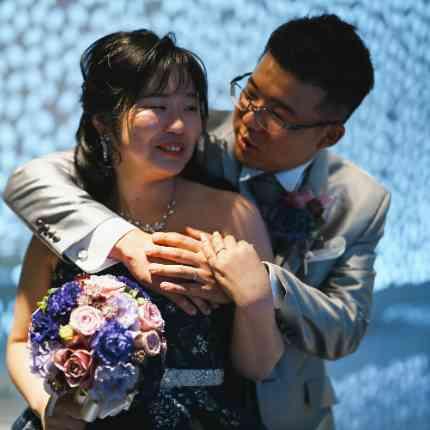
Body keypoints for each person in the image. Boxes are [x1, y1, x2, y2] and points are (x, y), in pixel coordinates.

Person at [4, 14, 391, 430]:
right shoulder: (190, 134)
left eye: (278, 115)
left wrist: (260, 286)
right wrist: (127, 241)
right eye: (250, 94)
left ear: (329, 135)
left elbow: (345, 326)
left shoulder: (358, 203)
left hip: (272, 408)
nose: (250, 120)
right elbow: (34, 180)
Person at [6, 29, 283, 430]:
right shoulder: (67, 218)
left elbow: (258, 367)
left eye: (191, 107)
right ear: (104, 122)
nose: (179, 125)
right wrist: (47, 405)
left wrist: (255, 299)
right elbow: (20, 342)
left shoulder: (232, 214)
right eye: (157, 107)